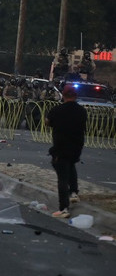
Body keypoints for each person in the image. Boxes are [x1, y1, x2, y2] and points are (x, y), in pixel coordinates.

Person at [45, 86, 87, 219]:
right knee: (71, 166)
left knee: (62, 178)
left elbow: (47, 122)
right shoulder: (82, 111)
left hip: (61, 147)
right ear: (76, 96)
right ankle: (74, 192)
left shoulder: (57, 110)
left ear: (63, 96)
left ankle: (64, 208)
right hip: (76, 147)